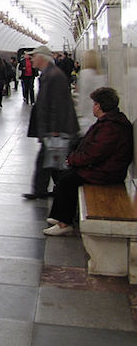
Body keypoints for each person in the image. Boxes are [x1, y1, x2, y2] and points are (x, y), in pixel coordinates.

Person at [44, 87, 133, 235]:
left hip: (106, 172)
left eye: (94, 103)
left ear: (99, 106)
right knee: (63, 175)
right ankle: (60, 216)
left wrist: (72, 159)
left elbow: (95, 153)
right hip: (104, 167)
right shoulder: (110, 121)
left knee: (67, 179)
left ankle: (64, 223)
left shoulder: (111, 126)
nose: (93, 107)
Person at [22, 45, 79, 200]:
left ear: (42, 57)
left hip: (56, 129)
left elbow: (57, 105)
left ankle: (54, 191)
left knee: (51, 162)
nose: (31, 60)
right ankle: (47, 190)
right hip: (53, 128)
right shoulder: (50, 74)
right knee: (50, 162)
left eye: (33, 57)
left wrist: (54, 130)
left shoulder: (54, 75)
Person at [74, 50, 106, 128]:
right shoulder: (102, 76)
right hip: (99, 113)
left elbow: (83, 95)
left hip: (87, 113)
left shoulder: (84, 74)